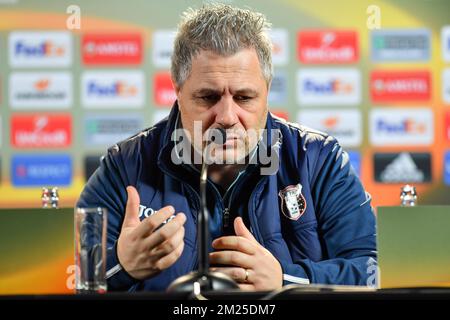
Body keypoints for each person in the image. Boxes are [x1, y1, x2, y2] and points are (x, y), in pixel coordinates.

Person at [77, 3, 377, 292]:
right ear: (178, 90)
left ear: (267, 91)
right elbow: (66, 277)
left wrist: (285, 280)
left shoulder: (318, 159)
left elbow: (373, 270)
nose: (227, 118)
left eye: (244, 98)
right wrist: (121, 266)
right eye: (207, 98)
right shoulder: (125, 164)